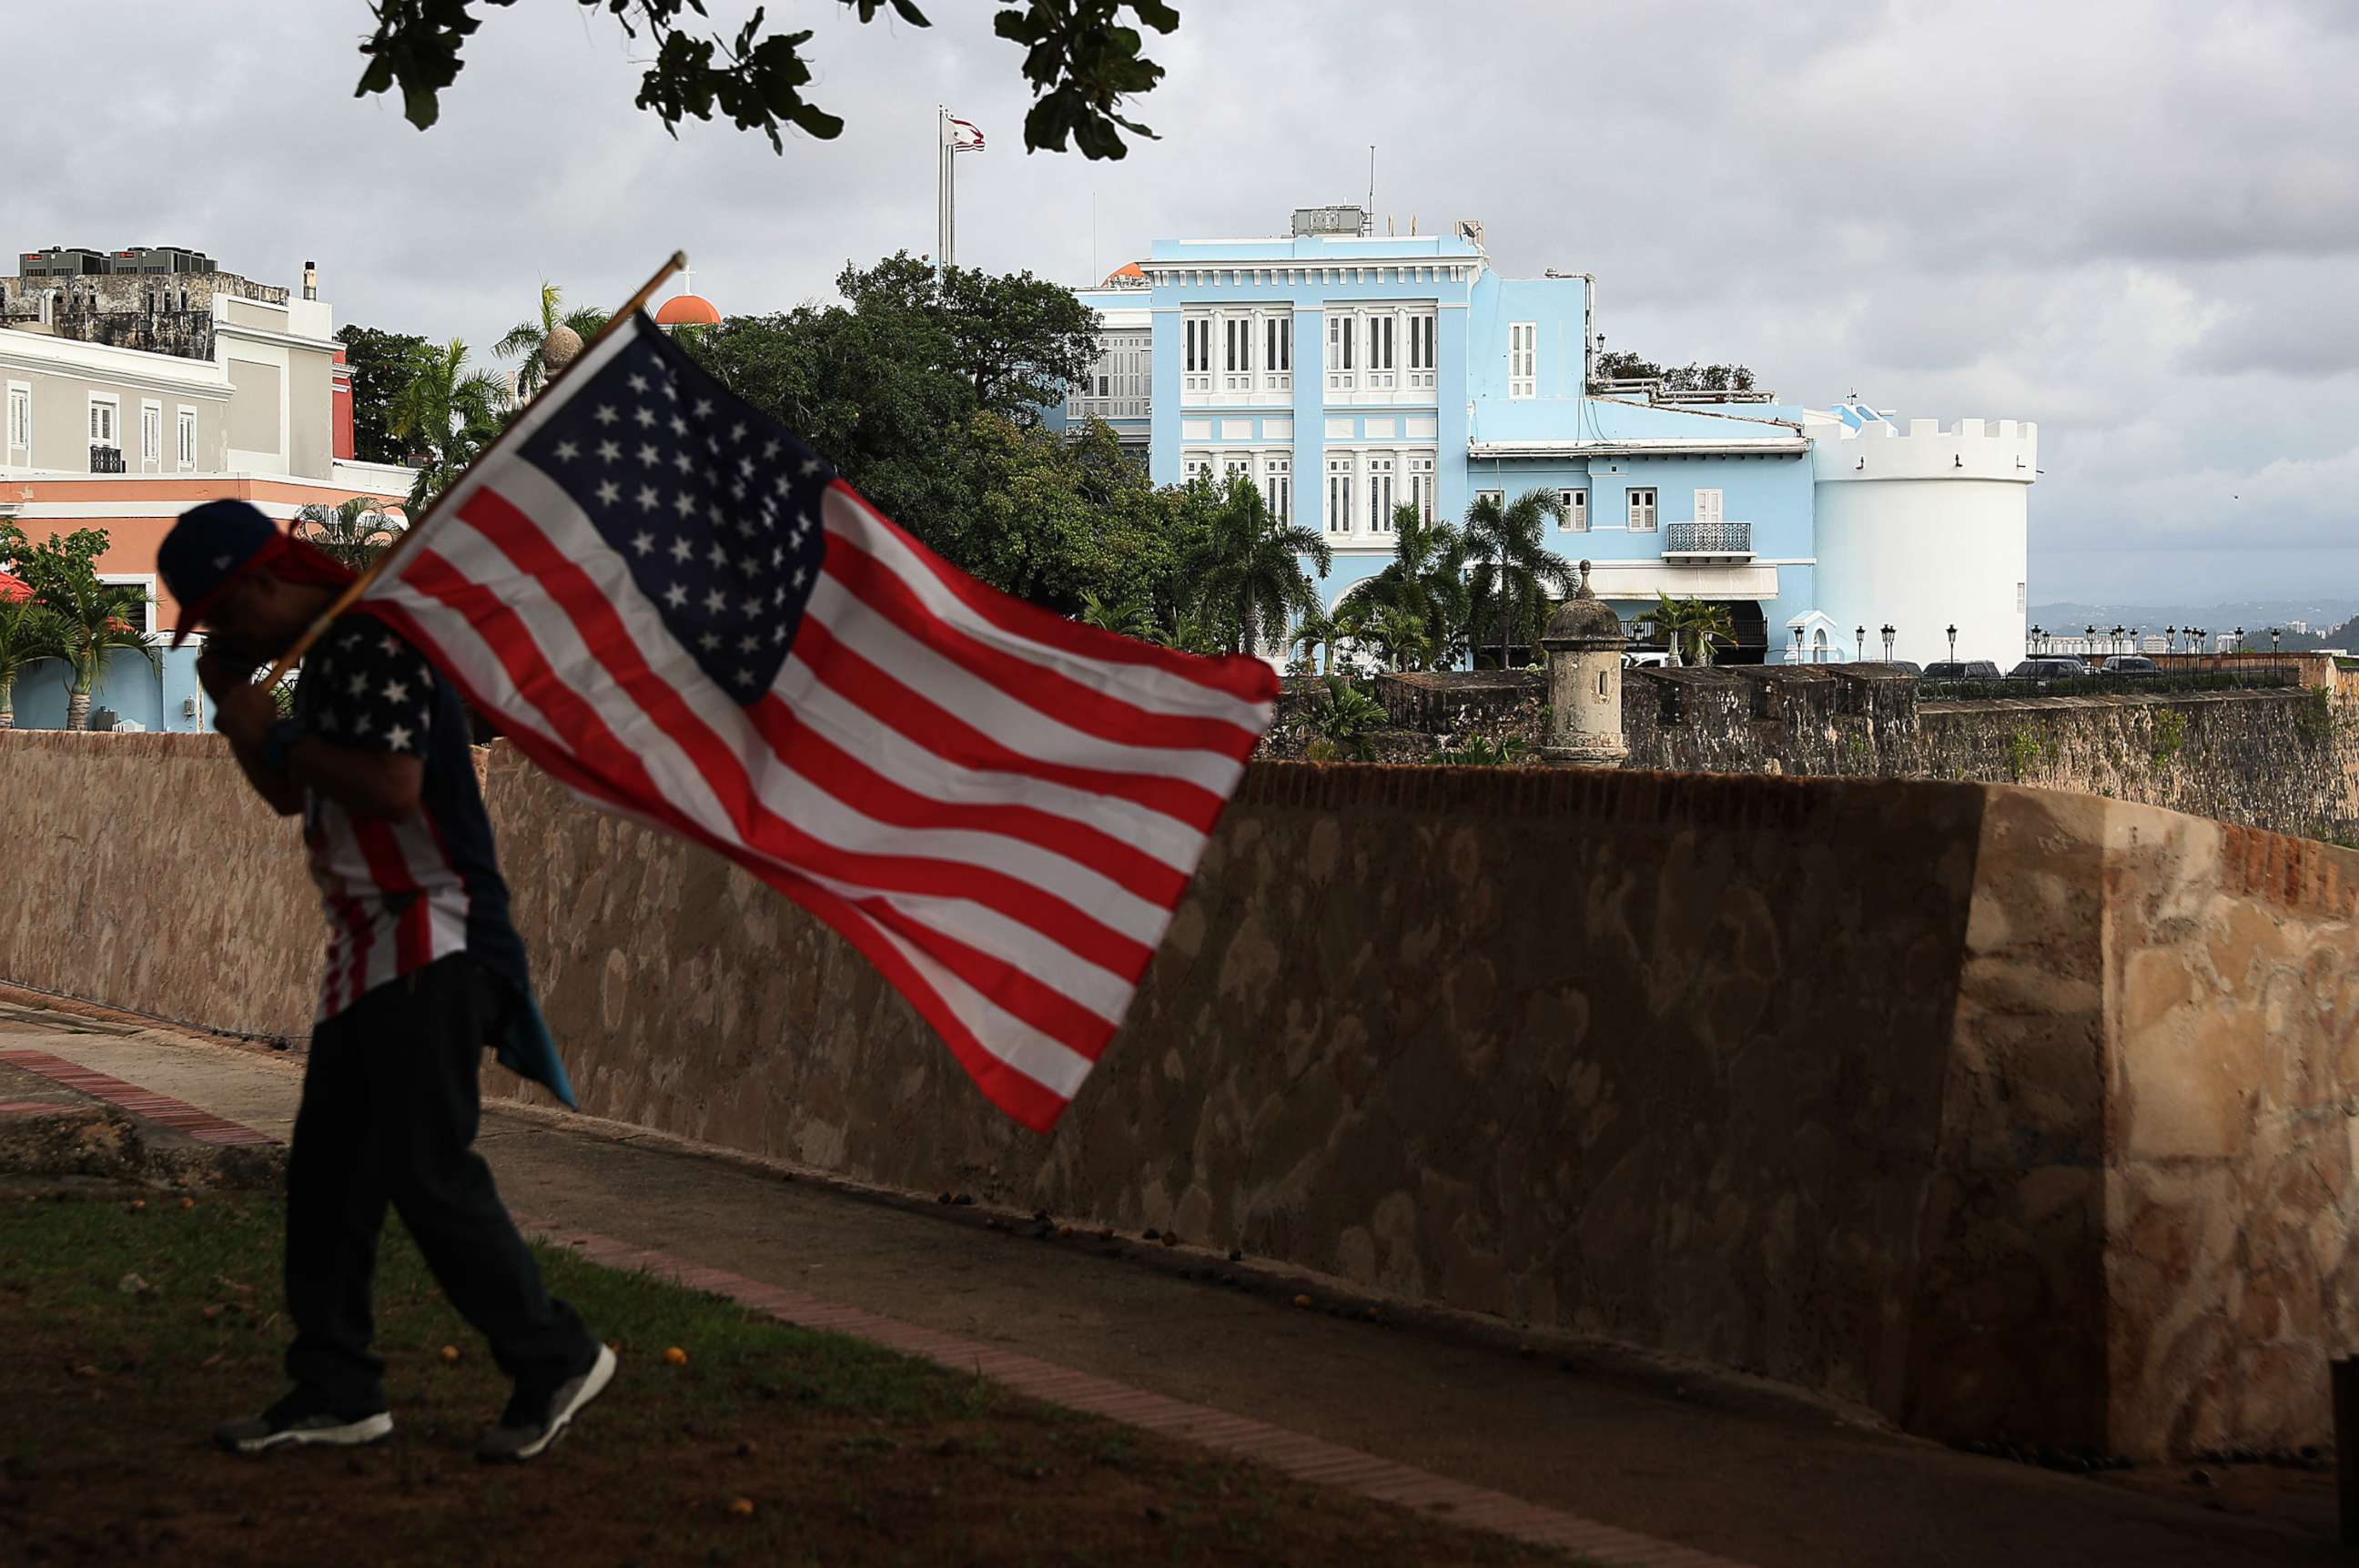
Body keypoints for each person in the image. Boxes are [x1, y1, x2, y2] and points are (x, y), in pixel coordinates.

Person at [158, 500, 613, 1462]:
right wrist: (251, 722)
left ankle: (554, 1351)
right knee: (330, 1178)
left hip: (434, 939)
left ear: (262, 585)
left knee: (426, 1168)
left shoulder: (370, 636)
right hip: (375, 950)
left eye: (226, 618)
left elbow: (391, 784)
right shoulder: (334, 648)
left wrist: (268, 730)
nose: (228, 637)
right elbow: (296, 795)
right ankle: (335, 1385)